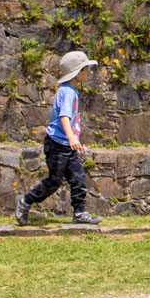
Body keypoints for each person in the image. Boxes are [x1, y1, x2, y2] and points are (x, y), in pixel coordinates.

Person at [16, 50, 103, 226]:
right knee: (54, 181)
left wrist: (73, 140)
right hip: (57, 144)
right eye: (86, 69)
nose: (87, 73)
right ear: (78, 73)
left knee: (78, 177)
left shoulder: (70, 91)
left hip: (67, 144)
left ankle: (79, 212)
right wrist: (71, 137)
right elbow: (64, 116)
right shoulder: (68, 92)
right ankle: (25, 201)